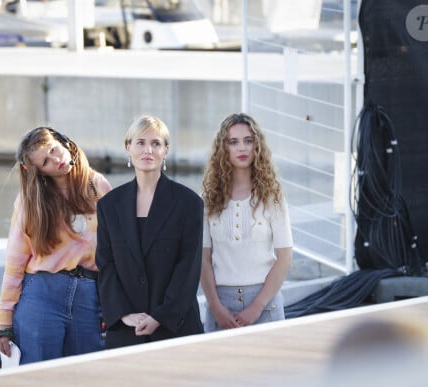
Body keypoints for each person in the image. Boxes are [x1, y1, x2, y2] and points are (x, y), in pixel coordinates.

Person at [0, 126, 112, 365]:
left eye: (54, 150)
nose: (56, 160)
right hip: (42, 295)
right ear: (39, 172)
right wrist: (4, 323)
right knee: (40, 377)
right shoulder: (30, 202)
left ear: (64, 143)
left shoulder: (97, 186)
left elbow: (115, 252)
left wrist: (113, 304)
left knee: (86, 375)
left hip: (90, 295)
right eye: (46, 161)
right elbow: (15, 263)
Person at [95, 115, 204, 349]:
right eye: (140, 142)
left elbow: (189, 267)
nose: (148, 150)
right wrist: (123, 315)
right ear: (128, 148)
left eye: (156, 143)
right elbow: (106, 265)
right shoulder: (108, 205)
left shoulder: (189, 203)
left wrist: (160, 316)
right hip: (127, 330)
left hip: (176, 328)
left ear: (166, 150)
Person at [201, 113, 293, 332]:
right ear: (224, 148)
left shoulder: (273, 195)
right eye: (233, 142)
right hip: (220, 307)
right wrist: (215, 306)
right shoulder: (208, 198)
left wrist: (257, 306)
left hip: (266, 306)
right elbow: (203, 259)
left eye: (248, 141)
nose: (241, 148)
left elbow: (285, 257)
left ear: (256, 146)